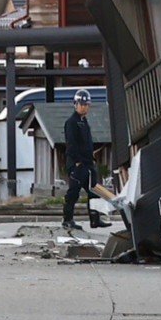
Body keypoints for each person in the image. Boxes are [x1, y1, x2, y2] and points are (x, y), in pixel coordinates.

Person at [61, 90, 106, 232]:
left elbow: (88, 142)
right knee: (73, 192)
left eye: (86, 104)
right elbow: (71, 144)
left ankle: (95, 219)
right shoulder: (71, 122)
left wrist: (91, 158)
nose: (84, 107)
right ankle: (67, 220)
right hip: (77, 164)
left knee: (94, 191)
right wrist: (77, 161)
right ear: (75, 104)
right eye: (81, 104)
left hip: (87, 163)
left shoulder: (84, 122)